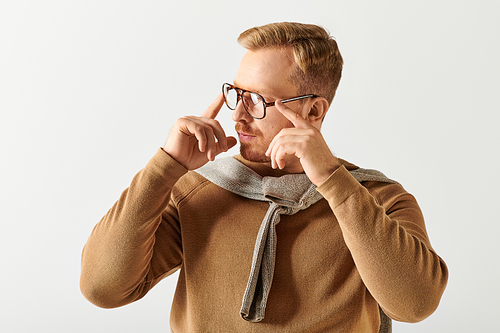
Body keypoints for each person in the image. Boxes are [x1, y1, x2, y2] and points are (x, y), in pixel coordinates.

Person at [80, 22, 448, 332]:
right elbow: (102, 289)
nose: (237, 114)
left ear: (314, 110)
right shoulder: (197, 191)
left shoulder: (378, 198)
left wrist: (334, 183)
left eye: (256, 100)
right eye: (236, 94)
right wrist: (166, 167)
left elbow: (415, 305)